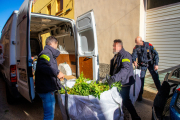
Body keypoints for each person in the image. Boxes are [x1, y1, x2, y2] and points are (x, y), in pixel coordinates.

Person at [107, 39, 141, 120]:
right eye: (113, 46)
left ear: (120, 46)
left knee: (126, 100)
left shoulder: (125, 55)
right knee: (121, 99)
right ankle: (123, 115)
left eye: (114, 46)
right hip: (119, 81)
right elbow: (115, 68)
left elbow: (124, 70)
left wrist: (113, 79)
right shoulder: (117, 55)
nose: (113, 47)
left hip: (125, 82)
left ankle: (135, 117)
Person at [35, 36, 64, 120]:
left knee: (49, 113)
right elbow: (42, 66)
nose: (57, 46)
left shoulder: (49, 53)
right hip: (46, 89)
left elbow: (49, 67)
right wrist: (57, 72)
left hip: (46, 87)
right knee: (49, 115)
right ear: (52, 43)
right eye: (56, 44)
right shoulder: (46, 53)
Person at [132, 36, 161, 101]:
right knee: (141, 80)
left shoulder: (149, 45)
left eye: (137, 42)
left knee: (156, 78)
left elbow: (156, 54)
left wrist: (156, 64)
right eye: (135, 42)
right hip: (142, 65)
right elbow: (133, 55)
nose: (136, 44)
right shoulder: (136, 48)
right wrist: (134, 61)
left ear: (141, 41)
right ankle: (140, 96)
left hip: (151, 64)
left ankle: (161, 94)